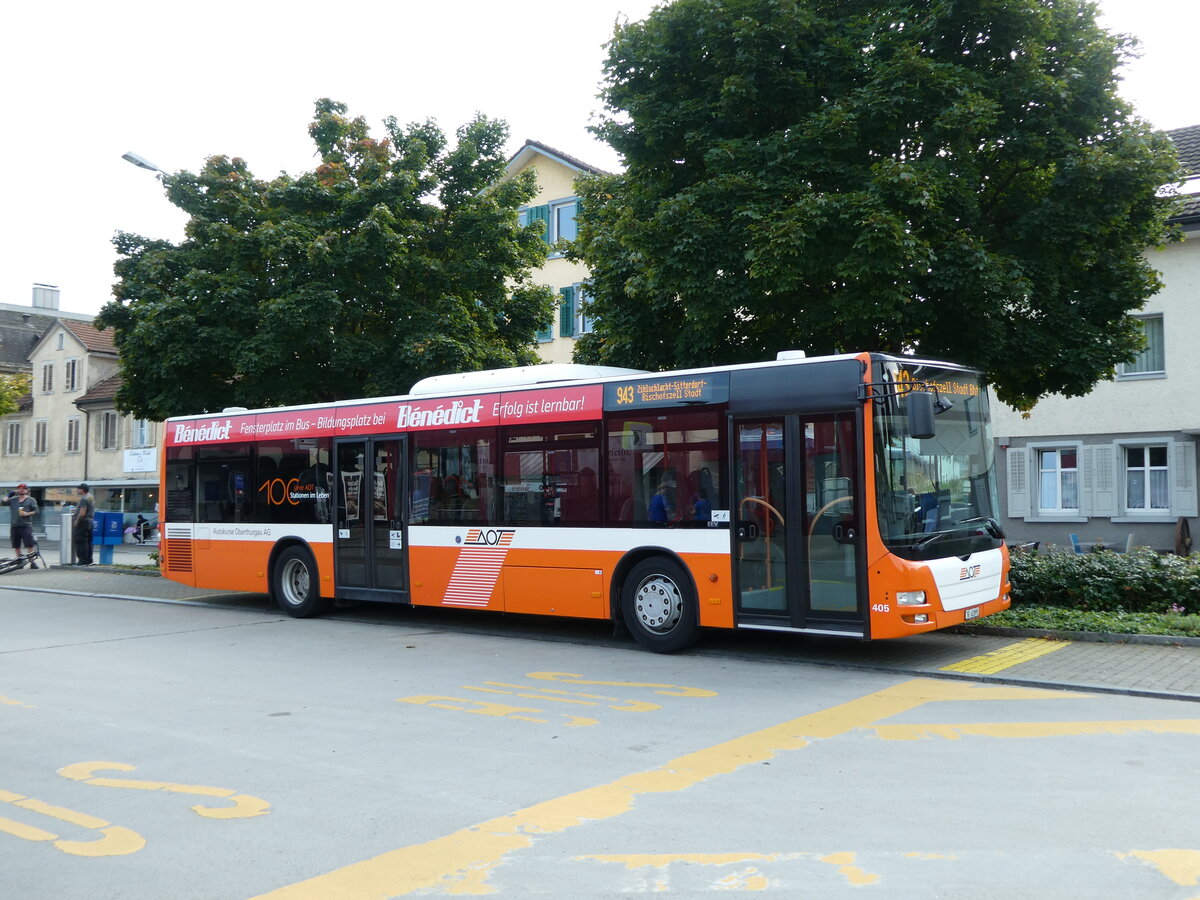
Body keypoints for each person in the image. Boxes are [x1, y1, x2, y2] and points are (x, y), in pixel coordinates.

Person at [6, 484, 40, 569]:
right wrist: (9, 495)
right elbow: (1, 502)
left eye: (24, 489)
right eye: (20, 489)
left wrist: (27, 513)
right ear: (17, 490)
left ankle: (32, 562)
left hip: (26, 525)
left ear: (27, 490)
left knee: (29, 544)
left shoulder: (31, 500)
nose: (22, 490)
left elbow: (36, 511)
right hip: (15, 525)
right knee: (16, 545)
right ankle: (19, 562)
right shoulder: (13, 500)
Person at [73, 483, 95, 566]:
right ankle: (89, 560)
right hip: (90, 522)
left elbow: (82, 513)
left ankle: (82, 560)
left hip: (83, 522)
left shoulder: (84, 499)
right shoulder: (90, 497)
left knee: (80, 541)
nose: (77, 490)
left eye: (78, 489)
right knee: (88, 541)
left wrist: (77, 521)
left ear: (82, 490)